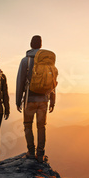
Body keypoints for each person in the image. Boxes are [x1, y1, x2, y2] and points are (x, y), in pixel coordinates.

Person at [16, 35, 56, 163]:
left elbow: (20, 81)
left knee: (28, 125)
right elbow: (52, 82)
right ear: (40, 45)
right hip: (44, 100)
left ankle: (31, 152)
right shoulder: (48, 61)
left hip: (29, 99)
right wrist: (53, 100)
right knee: (41, 127)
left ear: (30, 44)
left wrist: (18, 101)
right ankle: (40, 154)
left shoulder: (25, 61)